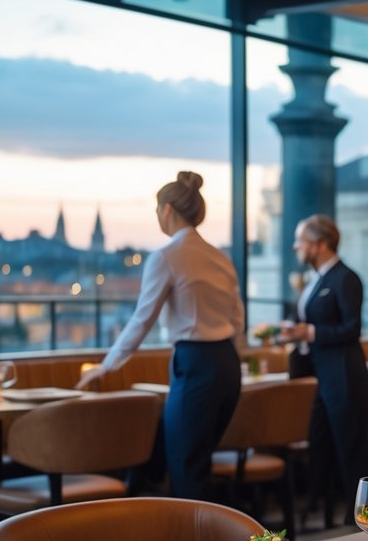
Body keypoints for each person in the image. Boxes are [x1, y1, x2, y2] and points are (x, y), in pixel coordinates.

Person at [77, 172, 243, 500]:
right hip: (227, 364)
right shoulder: (221, 258)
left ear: (167, 209)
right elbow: (238, 320)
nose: (156, 216)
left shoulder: (166, 256)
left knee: (185, 464)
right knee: (193, 458)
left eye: (156, 209)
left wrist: (106, 366)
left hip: (195, 363)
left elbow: (142, 319)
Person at [282, 215, 368, 523]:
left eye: (301, 240)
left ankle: (358, 519)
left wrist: (309, 333)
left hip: (344, 373)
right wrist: (294, 331)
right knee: (321, 444)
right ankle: (321, 513)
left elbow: (351, 329)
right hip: (319, 375)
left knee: (350, 448)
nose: (296, 247)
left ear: (320, 244)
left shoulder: (345, 278)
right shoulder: (316, 279)